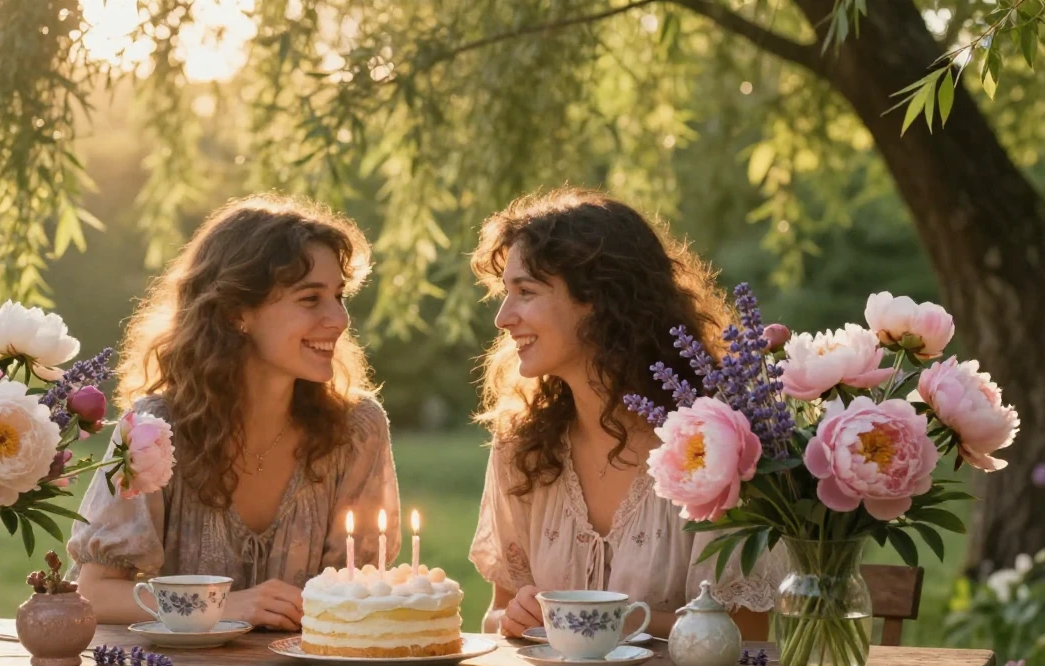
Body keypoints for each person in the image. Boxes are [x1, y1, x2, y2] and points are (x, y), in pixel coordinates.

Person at [68, 194, 400, 629]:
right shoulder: (153, 429)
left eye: (339, 296)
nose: (339, 318)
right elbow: (94, 593)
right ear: (237, 312)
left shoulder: (356, 430)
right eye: (310, 298)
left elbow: (364, 594)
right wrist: (222, 607)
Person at [468, 187, 780, 641]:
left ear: (597, 297)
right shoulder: (522, 445)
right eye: (505, 292)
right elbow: (496, 619)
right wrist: (515, 619)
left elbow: (746, 635)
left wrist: (605, 621)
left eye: (525, 292)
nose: (502, 317)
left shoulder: (719, 441)